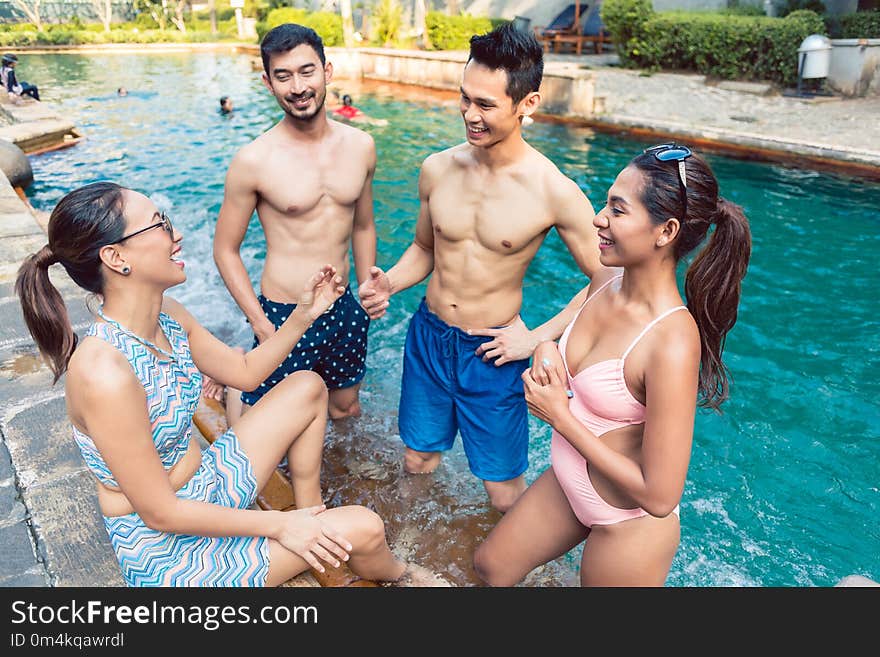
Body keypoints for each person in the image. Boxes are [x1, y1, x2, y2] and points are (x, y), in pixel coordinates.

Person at [15, 181, 446, 587]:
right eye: (159, 223)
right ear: (115, 258)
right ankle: (401, 574)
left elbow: (244, 372)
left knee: (307, 385)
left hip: (205, 489)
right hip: (169, 550)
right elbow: (161, 513)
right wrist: (279, 525)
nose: (175, 234)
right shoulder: (103, 373)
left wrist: (303, 314)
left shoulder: (168, 314)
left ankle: (311, 514)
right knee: (367, 529)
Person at [473, 144, 752, 586]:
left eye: (617, 210)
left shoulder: (672, 343)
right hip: (569, 484)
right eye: (606, 204)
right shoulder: (605, 280)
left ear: (666, 231)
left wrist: (560, 417)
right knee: (491, 567)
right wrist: (544, 349)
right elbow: (565, 342)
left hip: (629, 524)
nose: (598, 219)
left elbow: (661, 496)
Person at [358, 23, 606, 512]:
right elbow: (425, 249)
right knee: (417, 461)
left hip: (494, 351)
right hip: (429, 339)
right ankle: (406, 552)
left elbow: (610, 278)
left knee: (502, 492)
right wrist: (389, 280)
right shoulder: (437, 168)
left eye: (486, 105)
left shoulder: (553, 190)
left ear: (527, 104)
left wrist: (538, 338)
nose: (470, 115)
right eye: (465, 99)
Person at [214, 23, 377, 420]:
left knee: (344, 408)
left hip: (342, 308)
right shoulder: (254, 160)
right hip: (283, 313)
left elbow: (363, 225)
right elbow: (225, 249)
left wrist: (368, 284)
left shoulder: (361, 146)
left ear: (327, 71)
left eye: (307, 71)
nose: (298, 87)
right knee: (268, 417)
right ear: (268, 83)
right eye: (283, 76)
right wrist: (260, 322)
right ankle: (236, 379)